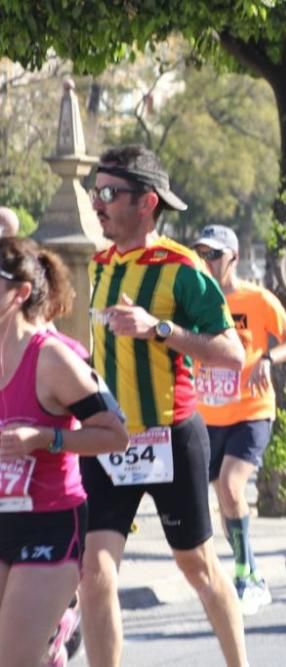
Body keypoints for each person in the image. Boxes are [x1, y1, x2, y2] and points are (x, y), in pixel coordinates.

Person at [79, 145, 248, 667]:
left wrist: (161, 329)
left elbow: (231, 354)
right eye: (94, 193)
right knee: (95, 572)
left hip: (170, 437)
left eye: (109, 193)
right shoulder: (100, 263)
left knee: (197, 566)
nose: (98, 204)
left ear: (147, 201)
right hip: (109, 437)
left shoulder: (183, 268)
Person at [0, 238, 128, 667]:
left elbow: (115, 434)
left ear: (18, 294)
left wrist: (46, 438)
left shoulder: (52, 359)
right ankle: (53, 638)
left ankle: (53, 629)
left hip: (49, 526)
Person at [193, 225, 286, 615]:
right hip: (207, 415)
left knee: (231, 486)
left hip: (252, 411)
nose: (207, 262)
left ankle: (243, 576)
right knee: (224, 499)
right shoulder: (194, 301)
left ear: (234, 258)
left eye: (215, 256)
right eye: (201, 254)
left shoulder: (257, 299)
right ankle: (251, 570)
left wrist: (268, 359)